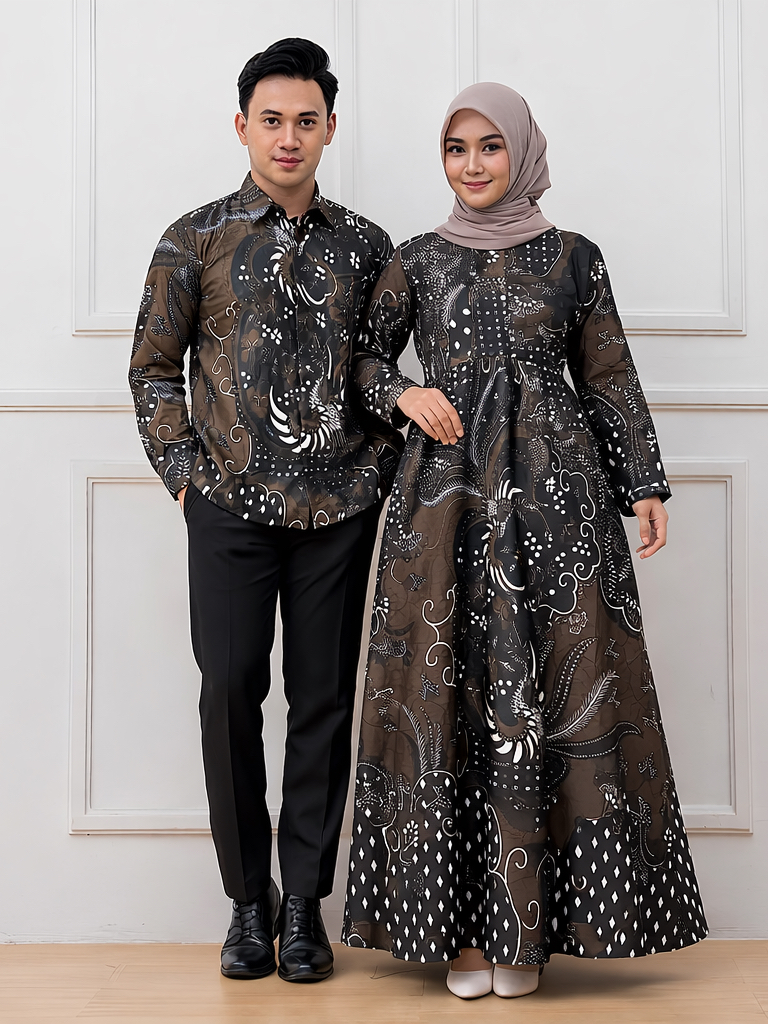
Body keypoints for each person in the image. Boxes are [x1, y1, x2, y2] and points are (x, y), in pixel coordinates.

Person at [342, 83, 708, 1000]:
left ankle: (528, 936)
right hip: (447, 510)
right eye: (455, 148)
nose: (471, 164)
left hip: (559, 507)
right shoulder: (416, 260)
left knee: (560, 693)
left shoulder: (575, 257)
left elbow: (608, 372)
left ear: (523, 152)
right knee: (451, 700)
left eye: (489, 146)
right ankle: (460, 937)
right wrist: (403, 391)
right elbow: (363, 359)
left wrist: (643, 481)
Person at [129, 38, 400, 984]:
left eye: (306, 121)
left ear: (331, 129)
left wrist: (377, 468)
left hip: (338, 512)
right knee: (229, 696)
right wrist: (184, 478)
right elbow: (152, 370)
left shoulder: (367, 247)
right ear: (242, 126)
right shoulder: (192, 239)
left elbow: (377, 372)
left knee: (322, 703)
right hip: (227, 510)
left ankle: (305, 909)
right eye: (272, 120)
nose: (289, 137)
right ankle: (249, 902)